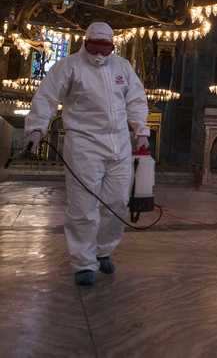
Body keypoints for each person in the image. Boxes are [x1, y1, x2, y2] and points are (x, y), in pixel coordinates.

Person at [24, 22, 149, 286]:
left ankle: (103, 250)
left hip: (120, 144)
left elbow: (136, 99)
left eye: (106, 48)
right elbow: (46, 96)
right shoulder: (69, 66)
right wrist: (36, 128)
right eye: (96, 47)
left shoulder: (122, 67)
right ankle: (83, 262)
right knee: (83, 206)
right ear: (86, 42)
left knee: (117, 202)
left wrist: (141, 131)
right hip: (84, 144)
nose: (100, 53)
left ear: (113, 46)